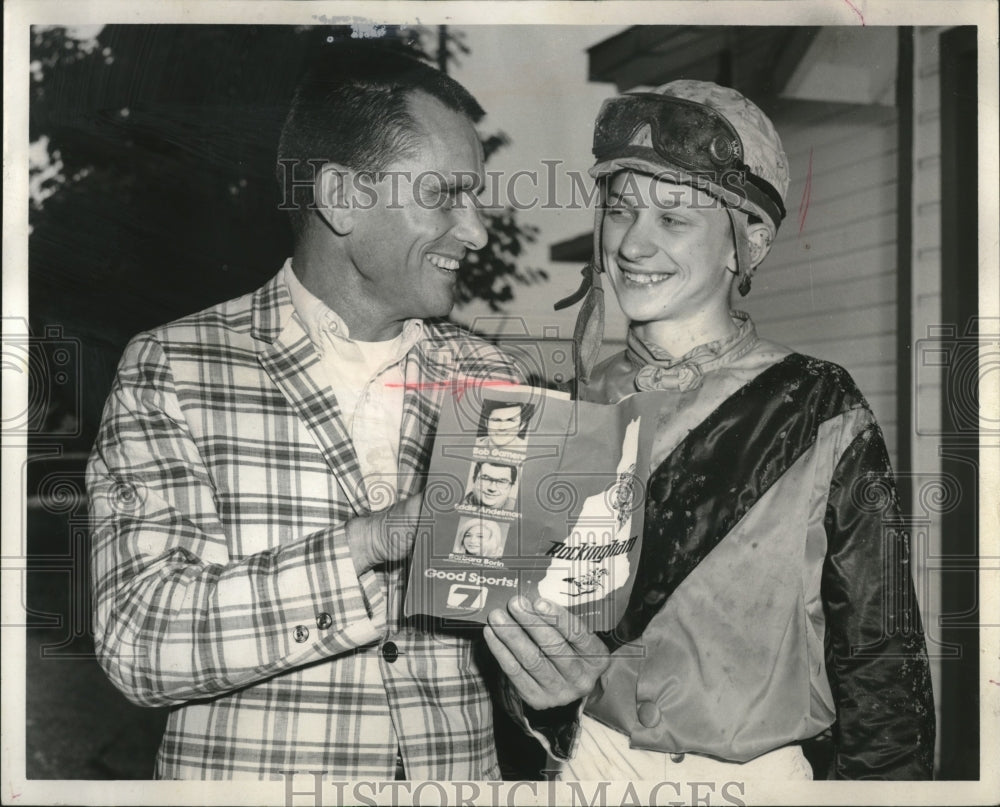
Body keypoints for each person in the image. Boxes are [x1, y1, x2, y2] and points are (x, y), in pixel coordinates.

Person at [86, 42, 602, 781]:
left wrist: (553, 690)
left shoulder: (495, 377)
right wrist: (374, 539)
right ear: (340, 197)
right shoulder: (175, 366)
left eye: (476, 199)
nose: (478, 231)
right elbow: (139, 641)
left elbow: (512, 651)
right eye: (444, 195)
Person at [493, 80, 935, 780]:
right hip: (586, 768)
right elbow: (529, 647)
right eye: (620, 209)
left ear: (746, 245)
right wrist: (540, 702)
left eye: (673, 219)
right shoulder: (566, 404)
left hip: (758, 780)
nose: (633, 243)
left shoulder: (820, 405)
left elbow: (881, 664)